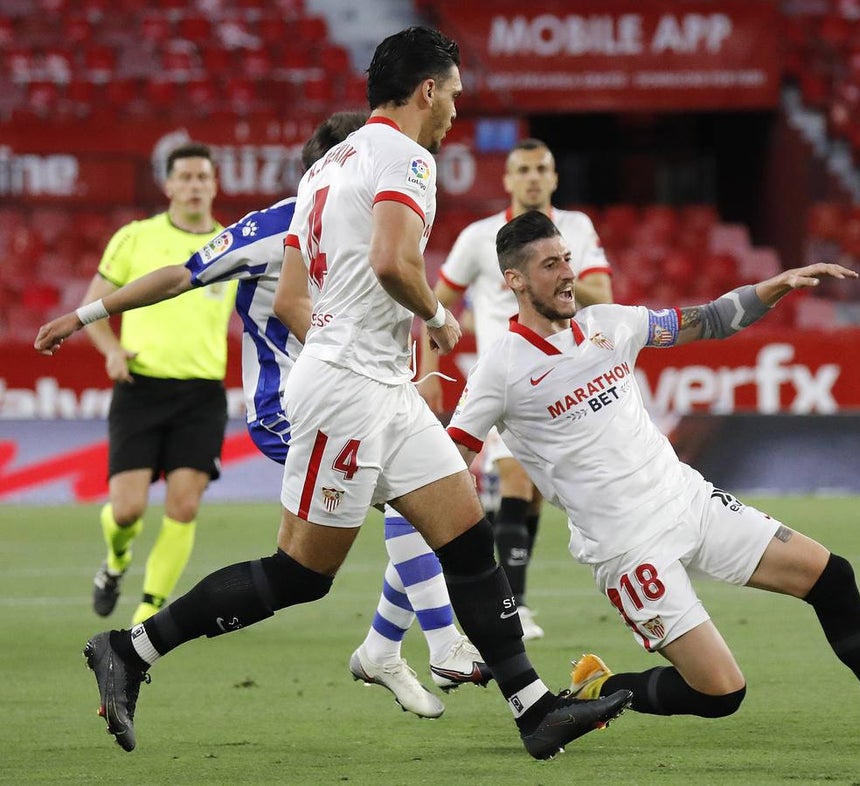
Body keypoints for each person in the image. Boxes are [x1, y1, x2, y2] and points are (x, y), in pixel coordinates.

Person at [73, 27, 630, 759]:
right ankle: (131, 647)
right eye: (454, 96)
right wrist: (434, 315)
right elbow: (394, 261)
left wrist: (366, 342)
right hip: (347, 392)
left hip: (374, 383)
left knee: (466, 538)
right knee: (300, 574)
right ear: (427, 90)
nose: (457, 112)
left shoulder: (325, 168)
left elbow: (297, 290)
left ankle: (533, 708)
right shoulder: (407, 159)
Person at [445, 211, 860, 744]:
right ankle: (606, 687)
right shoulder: (502, 368)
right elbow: (451, 458)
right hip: (628, 549)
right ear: (513, 280)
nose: (568, 272)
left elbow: (707, 320)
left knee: (832, 577)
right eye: (550, 265)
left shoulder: (610, 324)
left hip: (689, 499)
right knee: (720, 693)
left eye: (568, 258)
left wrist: (776, 285)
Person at [34, 112, 489, 720]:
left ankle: (390, 647)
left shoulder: (384, 223)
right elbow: (181, 275)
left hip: (359, 399)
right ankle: (432, 643)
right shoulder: (279, 227)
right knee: (407, 503)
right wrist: (86, 317)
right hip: (291, 408)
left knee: (414, 505)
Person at [421, 138, 613, 639]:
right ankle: (515, 607)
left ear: (553, 178)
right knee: (518, 481)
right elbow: (437, 304)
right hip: (510, 376)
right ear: (507, 179)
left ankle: (497, 560)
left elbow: (605, 296)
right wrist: (430, 371)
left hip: (568, 377)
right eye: (522, 169)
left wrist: (554, 267)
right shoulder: (479, 236)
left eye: (541, 169)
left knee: (532, 496)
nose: (532, 177)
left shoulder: (577, 229)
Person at [71, 142, 232, 626]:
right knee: (126, 511)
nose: (194, 186)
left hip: (202, 394)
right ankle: (116, 562)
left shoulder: (231, 245)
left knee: (183, 507)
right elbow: (92, 307)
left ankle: (145, 615)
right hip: (140, 390)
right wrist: (112, 351)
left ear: (214, 184)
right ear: (167, 185)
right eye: (184, 177)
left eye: (203, 177)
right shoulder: (135, 238)